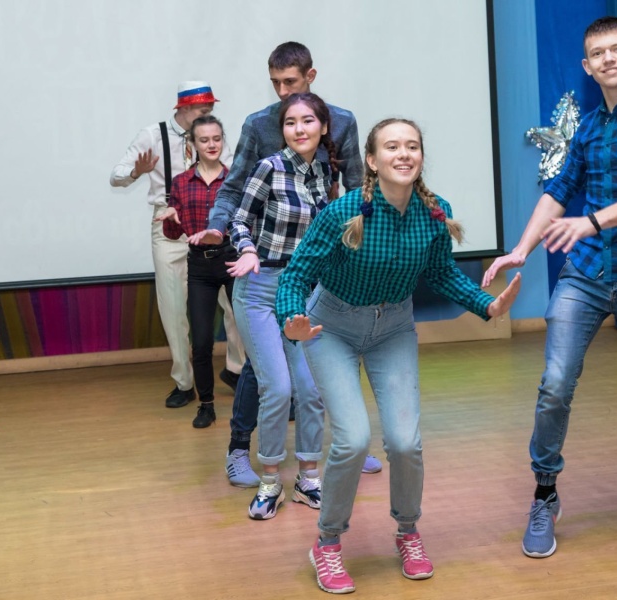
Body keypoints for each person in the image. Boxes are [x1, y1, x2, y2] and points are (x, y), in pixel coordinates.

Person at [483, 16, 617, 559]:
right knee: (556, 384)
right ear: (587, 66)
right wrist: (521, 249)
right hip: (585, 276)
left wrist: (592, 222)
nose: (609, 59)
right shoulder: (587, 127)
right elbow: (559, 190)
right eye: (599, 53)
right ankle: (545, 495)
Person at [277, 118, 522, 594]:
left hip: (393, 329)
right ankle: (328, 542)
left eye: (412, 146)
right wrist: (292, 318)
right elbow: (295, 275)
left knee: (406, 443)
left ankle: (408, 532)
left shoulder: (434, 213)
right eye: (392, 147)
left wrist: (488, 306)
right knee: (352, 441)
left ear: (421, 157)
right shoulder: (344, 212)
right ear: (372, 160)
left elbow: (442, 274)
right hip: (331, 328)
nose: (403, 154)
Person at [186, 42, 381, 487]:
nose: (281, 92)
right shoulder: (260, 125)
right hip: (263, 266)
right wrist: (220, 229)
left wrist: (365, 248)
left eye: (289, 82)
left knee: (325, 366)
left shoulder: (342, 122)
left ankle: (347, 442)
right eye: (274, 83)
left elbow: (355, 192)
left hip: (313, 271)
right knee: (266, 373)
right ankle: (240, 449)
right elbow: (235, 190)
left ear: (311, 76)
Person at [228, 92, 341, 520]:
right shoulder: (269, 167)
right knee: (277, 388)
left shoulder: (324, 172)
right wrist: (247, 249)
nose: (299, 129)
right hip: (259, 288)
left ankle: (308, 479)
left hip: (302, 290)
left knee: (311, 389)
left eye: (308, 120)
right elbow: (239, 218)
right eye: (291, 122)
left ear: (323, 127)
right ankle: (270, 481)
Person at [109, 81, 244, 408]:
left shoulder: (213, 135)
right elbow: (116, 174)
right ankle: (184, 382)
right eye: (203, 109)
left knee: (236, 303)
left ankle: (237, 369)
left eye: (211, 109)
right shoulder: (152, 135)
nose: (209, 113)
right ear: (184, 108)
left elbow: (232, 175)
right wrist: (136, 172)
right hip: (168, 223)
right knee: (173, 307)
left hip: (212, 223)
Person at [154, 115, 236, 429]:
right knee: (201, 342)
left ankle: (262, 397)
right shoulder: (180, 183)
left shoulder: (235, 180)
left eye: (216, 138)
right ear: (193, 145)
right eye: (204, 140)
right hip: (200, 266)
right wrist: (170, 219)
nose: (212, 145)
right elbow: (174, 234)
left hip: (232, 260)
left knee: (251, 336)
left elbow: (249, 222)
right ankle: (206, 405)